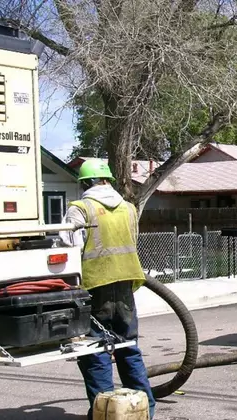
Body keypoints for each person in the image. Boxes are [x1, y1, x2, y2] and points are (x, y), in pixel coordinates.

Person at [59, 159, 156, 419]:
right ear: (108, 180)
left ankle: (105, 414)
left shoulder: (80, 208)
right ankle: (144, 412)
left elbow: (71, 247)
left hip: (95, 286)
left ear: (85, 183)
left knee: (95, 352)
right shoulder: (128, 208)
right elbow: (131, 240)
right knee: (128, 347)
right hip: (126, 284)